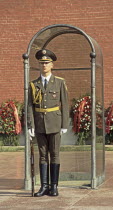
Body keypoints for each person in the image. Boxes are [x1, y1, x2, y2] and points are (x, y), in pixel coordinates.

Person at [27, 49, 69, 197]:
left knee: (55, 154)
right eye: (41, 63)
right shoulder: (33, 84)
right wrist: (30, 125)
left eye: (46, 63)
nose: (44, 65)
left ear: (52, 65)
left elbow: (64, 103)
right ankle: (44, 186)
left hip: (55, 123)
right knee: (43, 155)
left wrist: (64, 125)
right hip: (39, 124)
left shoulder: (59, 82)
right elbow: (30, 105)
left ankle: (54, 186)